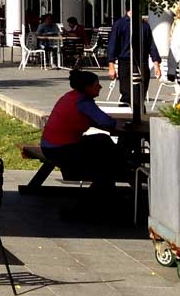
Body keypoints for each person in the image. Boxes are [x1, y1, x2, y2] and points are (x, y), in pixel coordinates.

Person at [40, 69, 126, 206]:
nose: (100, 87)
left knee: (102, 141)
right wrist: (120, 125)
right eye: (96, 85)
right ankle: (120, 172)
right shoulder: (83, 102)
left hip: (51, 145)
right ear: (87, 87)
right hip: (61, 149)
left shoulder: (71, 96)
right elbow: (105, 121)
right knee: (105, 158)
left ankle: (117, 170)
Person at [106, 8, 159, 106]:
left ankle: (139, 112)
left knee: (141, 89)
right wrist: (111, 66)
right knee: (126, 91)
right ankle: (126, 111)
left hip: (142, 61)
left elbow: (151, 45)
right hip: (125, 61)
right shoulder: (120, 24)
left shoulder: (144, 25)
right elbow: (112, 45)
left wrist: (156, 64)